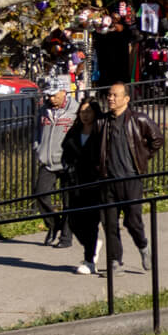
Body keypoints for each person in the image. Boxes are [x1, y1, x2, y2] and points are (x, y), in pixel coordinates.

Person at [88, 81, 164, 275]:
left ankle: (143, 247)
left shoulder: (138, 119)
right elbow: (94, 148)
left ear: (126, 99)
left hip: (130, 179)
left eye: (115, 95)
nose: (111, 98)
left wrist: (143, 156)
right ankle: (115, 262)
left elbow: (157, 139)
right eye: (109, 95)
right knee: (110, 223)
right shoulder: (102, 122)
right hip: (108, 181)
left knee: (132, 221)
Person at [59, 95, 107, 274]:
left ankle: (89, 260)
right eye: (82, 112)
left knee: (91, 221)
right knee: (74, 221)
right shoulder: (74, 131)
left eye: (89, 111)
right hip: (74, 181)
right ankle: (93, 245)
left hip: (94, 183)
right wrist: (66, 167)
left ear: (95, 112)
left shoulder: (101, 131)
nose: (85, 115)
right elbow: (65, 151)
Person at [32, 78, 74, 246]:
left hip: (68, 162)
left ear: (64, 92)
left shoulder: (76, 110)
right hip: (47, 161)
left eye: (54, 95)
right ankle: (54, 224)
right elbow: (37, 131)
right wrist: (37, 147)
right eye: (48, 95)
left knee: (69, 202)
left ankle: (66, 237)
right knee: (40, 193)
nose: (51, 98)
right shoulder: (44, 110)